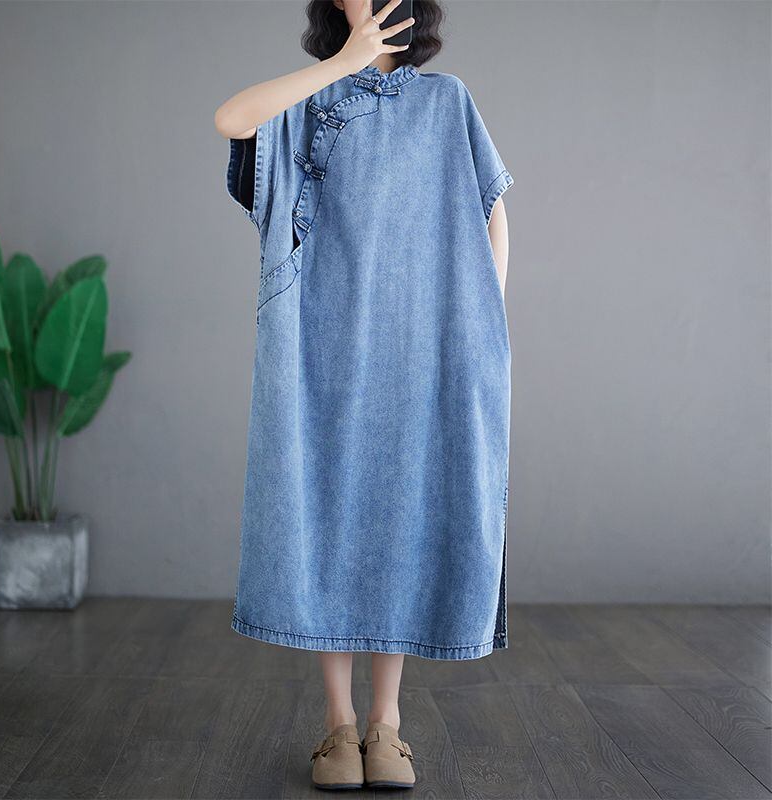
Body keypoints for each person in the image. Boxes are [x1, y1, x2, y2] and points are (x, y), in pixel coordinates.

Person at [214, 0, 513, 790]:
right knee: (329, 517)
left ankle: (388, 724)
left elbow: (491, 209)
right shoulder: (305, 99)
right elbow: (231, 119)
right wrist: (344, 64)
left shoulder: (446, 101)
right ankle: (338, 725)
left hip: (424, 342)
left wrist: (482, 322)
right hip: (320, 342)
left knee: (402, 517)